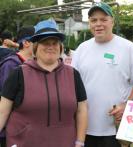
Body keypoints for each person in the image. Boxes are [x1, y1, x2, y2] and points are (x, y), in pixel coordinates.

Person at [0, 19, 88, 147]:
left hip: (64, 142)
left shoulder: (73, 74)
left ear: (61, 47)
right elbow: (3, 111)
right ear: (35, 47)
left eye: (55, 43)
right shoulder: (18, 74)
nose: (50, 47)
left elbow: (82, 109)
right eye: (44, 43)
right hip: (24, 143)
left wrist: (80, 141)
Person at [71, 2, 133, 147]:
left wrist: (126, 106)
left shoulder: (128, 48)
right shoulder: (81, 49)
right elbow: (72, 84)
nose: (98, 24)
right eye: (93, 20)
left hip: (116, 129)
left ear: (112, 21)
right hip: (84, 128)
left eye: (103, 19)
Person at [0, 26, 35, 147]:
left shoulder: (34, 64)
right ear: (26, 43)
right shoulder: (11, 65)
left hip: (28, 129)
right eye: (39, 41)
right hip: (11, 131)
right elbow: (5, 101)